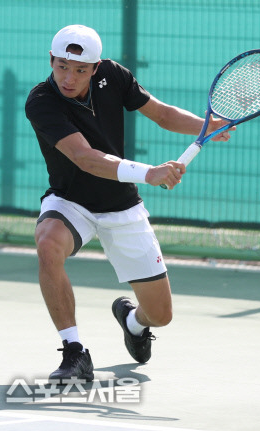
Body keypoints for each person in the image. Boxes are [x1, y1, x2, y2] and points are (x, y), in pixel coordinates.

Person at [25, 24, 234, 382]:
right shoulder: (42, 101)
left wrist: (207, 124)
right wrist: (149, 172)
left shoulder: (114, 76)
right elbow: (86, 158)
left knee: (161, 314)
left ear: (96, 67)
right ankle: (75, 352)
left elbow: (163, 114)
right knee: (47, 243)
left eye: (79, 70)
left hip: (122, 207)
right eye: (61, 66)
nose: (68, 77)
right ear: (51, 60)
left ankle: (133, 322)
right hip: (71, 201)